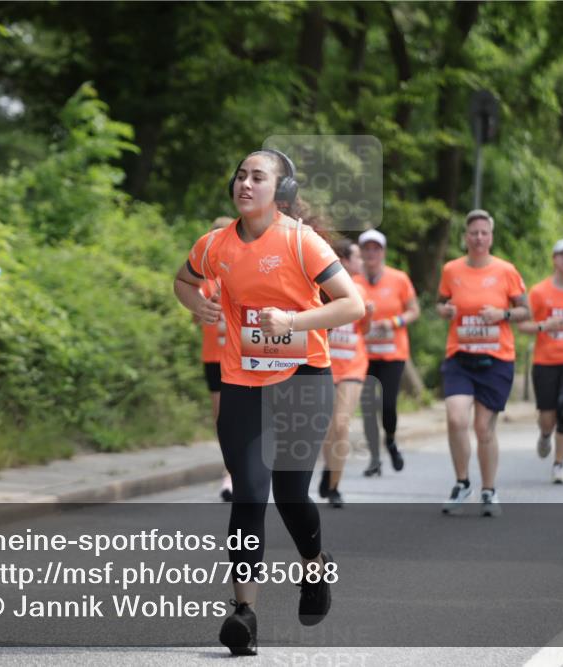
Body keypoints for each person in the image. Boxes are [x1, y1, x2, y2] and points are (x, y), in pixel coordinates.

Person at [173, 149, 363, 655]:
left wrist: (293, 322)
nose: (245, 183)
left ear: (281, 191)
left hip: (303, 377)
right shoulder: (215, 245)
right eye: (240, 174)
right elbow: (183, 281)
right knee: (250, 494)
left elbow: (352, 304)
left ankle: (315, 567)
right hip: (242, 380)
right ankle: (244, 614)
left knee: (291, 494)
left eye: (258, 176)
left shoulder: (303, 242)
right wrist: (201, 305)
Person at [438, 210, 529, 516]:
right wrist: (445, 311)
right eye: (473, 232)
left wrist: (501, 315)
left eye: (483, 233)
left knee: (483, 429)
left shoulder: (506, 271)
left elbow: (525, 311)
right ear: (465, 237)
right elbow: (441, 303)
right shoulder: (452, 270)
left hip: (495, 359)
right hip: (460, 356)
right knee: (455, 418)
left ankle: (489, 490)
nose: (478, 238)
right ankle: (463, 483)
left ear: (491, 237)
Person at [518, 239, 563, 484]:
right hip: (546, 360)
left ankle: (559, 464)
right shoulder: (539, 292)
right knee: (548, 416)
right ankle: (544, 434)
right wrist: (543, 325)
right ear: (554, 259)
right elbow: (523, 326)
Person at [354, 229, 419, 476]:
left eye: (375, 249)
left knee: (388, 404)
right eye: (366, 249)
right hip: (363, 354)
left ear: (383, 252)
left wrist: (392, 322)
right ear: (360, 253)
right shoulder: (353, 281)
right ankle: (374, 459)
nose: (371, 253)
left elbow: (414, 311)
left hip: (393, 353)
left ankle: (390, 440)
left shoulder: (399, 279)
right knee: (368, 406)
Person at [318, 238, 373, 508]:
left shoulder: (360, 288)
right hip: (325, 363)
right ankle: (330, 468)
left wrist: (370, 316)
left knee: (340, 424)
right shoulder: (319, 286)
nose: (361, 261)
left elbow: (365, 329)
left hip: (353, 364)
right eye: (357, 257)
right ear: (342, 260)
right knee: (326, 426)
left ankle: (334, 486)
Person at [197, 216, 235, 501]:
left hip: (242, 358)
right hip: (214, 358)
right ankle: (230, 472)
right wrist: (208, 303)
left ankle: (239, 471)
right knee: (223, 419)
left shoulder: (243, 271)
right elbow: (196, 314)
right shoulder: (205, 279)